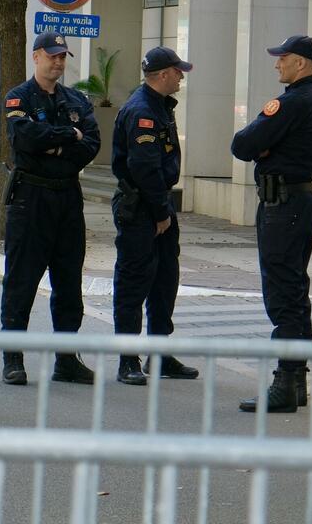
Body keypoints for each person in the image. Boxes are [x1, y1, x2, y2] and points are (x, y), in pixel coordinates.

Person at [231, 35, 312, 412]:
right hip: (299, 201)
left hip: (283, 203)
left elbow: (242, 145)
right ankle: (297, 381)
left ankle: (285, 382)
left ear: (301, 64)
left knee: (282, 291)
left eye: (283, 58)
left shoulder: (292, 102)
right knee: (295, 288)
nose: (277, 64)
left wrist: (263, 146)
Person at [0, 32, 101, 386]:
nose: (58, 62)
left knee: (69, 282)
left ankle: (66, 358)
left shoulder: (76, 100)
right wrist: (66, 137)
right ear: (36, 56)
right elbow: (24, 139)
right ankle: (13, 358)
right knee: (21, 281)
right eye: (52, 56)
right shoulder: (18, 97)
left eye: (63, 57)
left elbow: (91, 144)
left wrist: (55, 141)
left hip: (67, 199)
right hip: (31, 198)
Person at [110, 46, 199, 386]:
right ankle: (127, 360)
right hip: (142, 209)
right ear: (162, 75)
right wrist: (161, 212)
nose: (181, 76)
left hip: (157, 205)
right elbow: (143, 166)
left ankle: (159, 354)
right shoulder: (142, 111)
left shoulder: (159, 105)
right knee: (133, 284)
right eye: (178, 71)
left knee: (164, 281)